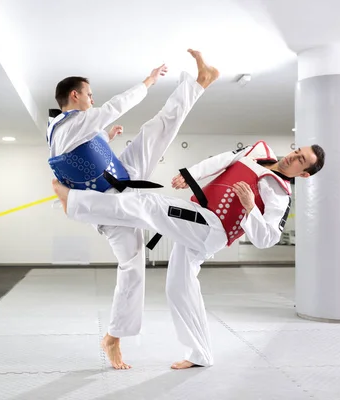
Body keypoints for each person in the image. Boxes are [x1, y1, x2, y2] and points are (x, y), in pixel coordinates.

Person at [51, 140, 326, 369]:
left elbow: (267, 238)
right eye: (297, 152)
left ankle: (75, 203)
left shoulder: (278, 193)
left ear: (304, 174)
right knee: (179, 288)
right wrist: (190, 174)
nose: (293, 157)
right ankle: (200, 354)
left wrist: (250, 208)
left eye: (301, 161)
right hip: (200, 220)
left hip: (211, 228)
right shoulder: (259, 150)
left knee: (149, 204)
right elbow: (221, 160)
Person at [47, 49, 220, 370]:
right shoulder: (71, 124)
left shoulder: (70, 127)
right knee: (133, 265)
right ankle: (114, 337)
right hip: (110, 203)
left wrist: (104, 136)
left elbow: (84, 151)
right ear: (75, 95)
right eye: (89, 95)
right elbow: (113, 108)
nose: (92, 100)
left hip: (120, 174)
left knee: (156, 131)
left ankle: (198, 84)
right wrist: (148, 81)